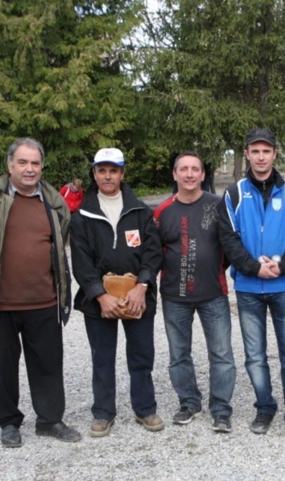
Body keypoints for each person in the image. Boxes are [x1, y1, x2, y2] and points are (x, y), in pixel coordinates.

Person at [0, 138, 80, 447]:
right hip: (0, 303)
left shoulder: (53, 201)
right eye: (22, 162)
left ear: (41, 166)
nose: (29, 169)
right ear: (10, 165)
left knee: (48, 364)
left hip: (44, 300)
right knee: (2, 366)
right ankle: (9, 422)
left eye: (35, 163)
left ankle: (49, 420)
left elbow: (59, 240)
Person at [218, 128, 285, 444]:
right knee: (255, 356)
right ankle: (265, 407)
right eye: (255, 151)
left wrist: (282, 265)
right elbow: (228, 239)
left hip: (284, 285)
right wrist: (253, 267)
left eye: (266, 151)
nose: (261, 157)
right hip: (248, 288)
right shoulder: (233, 194)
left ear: (274, 154)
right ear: (247, 154)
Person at [70, 148, 164, 437]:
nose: (108, 176)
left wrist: (142, 286)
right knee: (102, 356)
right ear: (95, 174)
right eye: (102, 170)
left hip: (137, 294)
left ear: (122, 173)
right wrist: (100, 295)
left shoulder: (140, 210)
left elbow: (153, 252)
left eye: (113, 170)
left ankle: (145, 409)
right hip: (99, 300)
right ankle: (103, 412)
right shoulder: (82, 214)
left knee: (141, 355)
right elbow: (81, 262)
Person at [153, 152, 236, 434]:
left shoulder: (219, 206)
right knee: (178, 355)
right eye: (183, 169)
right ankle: (188, 402)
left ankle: (221, 408)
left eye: (195, 169)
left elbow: (230, 246)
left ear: (203, 175)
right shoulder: (162, 211)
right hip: (175, 296)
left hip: (213, 292)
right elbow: (153, 254)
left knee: (222, 354)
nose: (189, 174)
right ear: (174, 174)